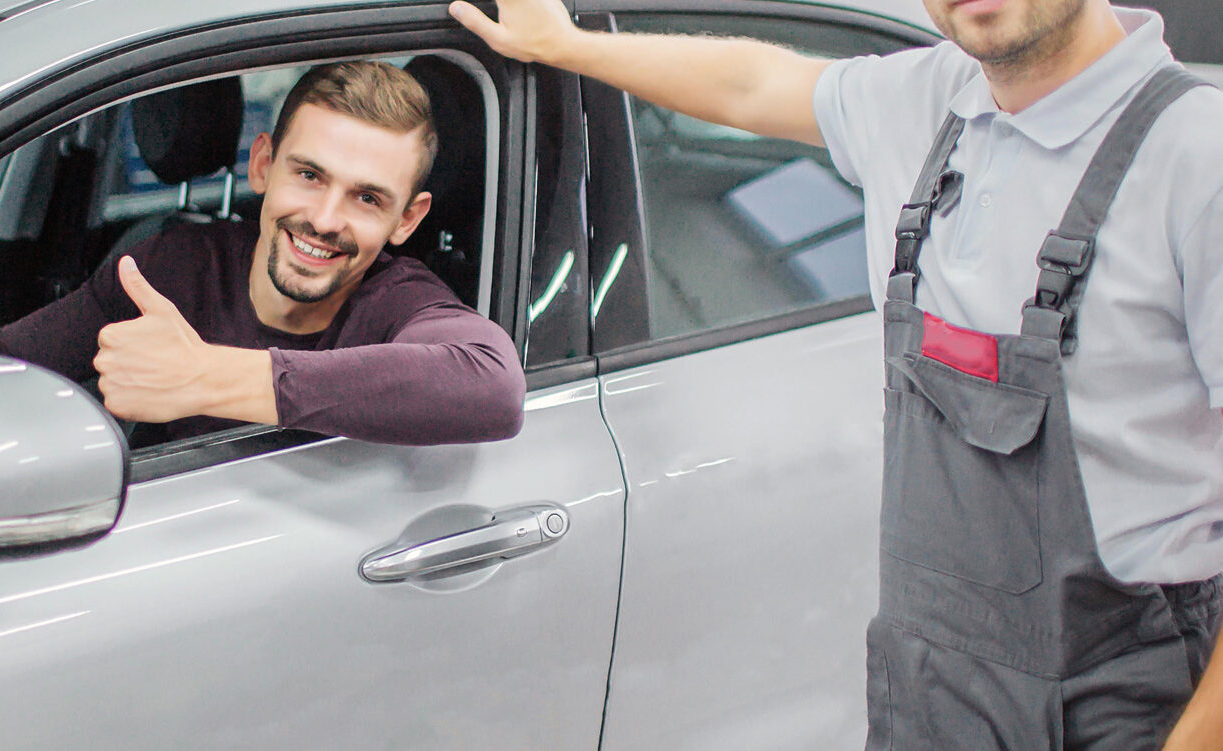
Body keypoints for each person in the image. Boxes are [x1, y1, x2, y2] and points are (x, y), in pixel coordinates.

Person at [448, 0, 1223, 747]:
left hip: (1125, 702)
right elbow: (753, 84)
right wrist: (567, 45)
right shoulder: (927, 99)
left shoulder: (1198, 158)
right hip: (929, 684)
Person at [0, 61, 525, 446]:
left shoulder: (399, 300)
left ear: (408, 218)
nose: (325, 220)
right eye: (309, 175)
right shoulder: (174, 265)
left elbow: (491, 385)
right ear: (263, 165)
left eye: (368, 199)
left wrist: (206, 376)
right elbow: (10, 364)